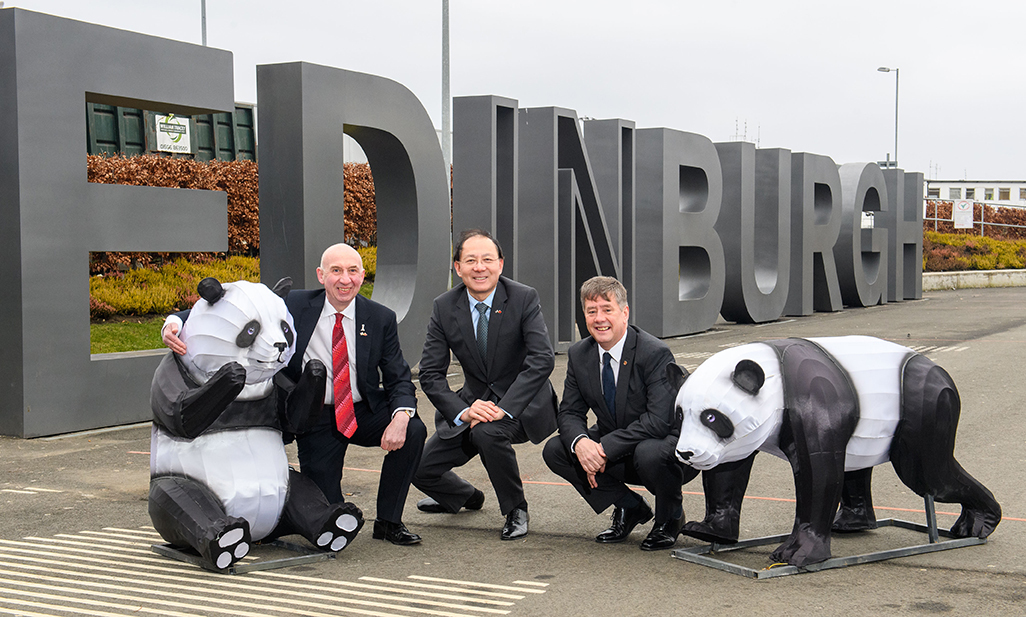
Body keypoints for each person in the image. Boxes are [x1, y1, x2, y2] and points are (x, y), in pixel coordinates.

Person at [162, 244, 427, 546]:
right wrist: (174, 321)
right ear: (321, 275)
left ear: (362, 275)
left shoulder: (380, 317)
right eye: (336, 271)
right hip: (313, 414)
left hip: (360, 408)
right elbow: (225, 308)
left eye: (353, 271)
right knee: (329, 512)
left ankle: (389, 522)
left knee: (414, 429)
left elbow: (398, 375)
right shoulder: (295, 304)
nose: (345, 279)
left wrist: (402, 416)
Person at [414, 229, 557, 540]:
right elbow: (430, 373)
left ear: (500, 264)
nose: (480, 267)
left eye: (487, 260)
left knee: (488, 431)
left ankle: (516, 508)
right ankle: (465, 497)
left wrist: (504, 410)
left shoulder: (523, 297)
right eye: (471, 260)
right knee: (418, 468)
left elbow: (542, 360)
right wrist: (463, 411)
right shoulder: (444, 306)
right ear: (458, 267)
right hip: (472, 405)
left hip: (521, 403)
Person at [542, 276, 697, 550]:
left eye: (607, 309)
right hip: (618, 443)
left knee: (649, 452)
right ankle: (629, 506)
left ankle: (670, 516)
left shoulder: (654, 353)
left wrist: (602, 449)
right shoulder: (580, 354)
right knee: (556, 449)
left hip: (666, 450)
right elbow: (569, 413)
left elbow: (659, 421)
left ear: (624, 313)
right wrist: (582, 444)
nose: (599, 318)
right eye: (592, 311)